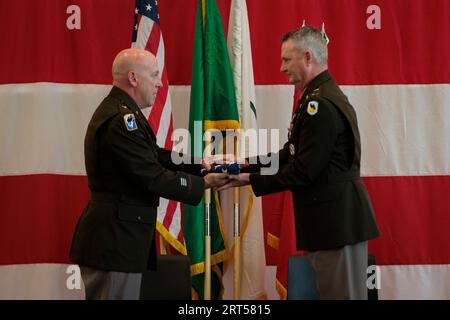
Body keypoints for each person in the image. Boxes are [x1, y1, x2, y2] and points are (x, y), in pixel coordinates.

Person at [216, 26, 380, 299]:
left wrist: (246, 179)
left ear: (307, 57)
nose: (281, 68)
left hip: (337, 226)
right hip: (330, 224)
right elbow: (290, 153)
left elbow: (303, 171)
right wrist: (242, 164)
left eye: (286, 59)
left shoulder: (321, 104)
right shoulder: (315, 97)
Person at [69, 48, 229, 300]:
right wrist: (204, 183)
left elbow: (154, 155)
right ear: (133, 78)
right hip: (114, 242)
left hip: (119, 240)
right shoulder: (121, 120)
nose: (159, 83)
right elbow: (152, 175)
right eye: (154, 75)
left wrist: (201, 163)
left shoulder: (124, 112)